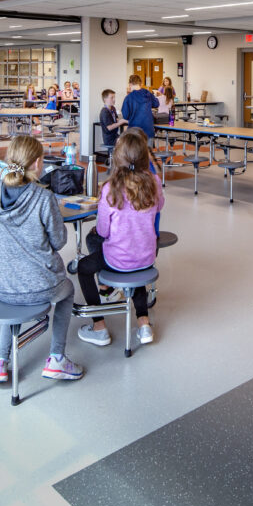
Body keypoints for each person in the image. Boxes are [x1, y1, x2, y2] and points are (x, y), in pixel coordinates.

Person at [0, 135, 83, 383]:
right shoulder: (44, 198)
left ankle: (0, 361)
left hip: (3, 286)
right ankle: (57, 358)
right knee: (69, 290)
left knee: (14, 294)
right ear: (38, 163)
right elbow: (59, 241)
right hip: (43, 285)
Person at [76, 129, 164, 348]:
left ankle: (99, 326)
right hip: (147, 255)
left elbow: (103, 231)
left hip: (118, 258)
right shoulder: (154, 182)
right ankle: (144, 324)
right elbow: (159, 206)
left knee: (84, 265)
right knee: (136, 267)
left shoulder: (109, 188)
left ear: (117, 157)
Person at [120, 74, 156, 139]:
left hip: (134, 132)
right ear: (140, 83)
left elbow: (125, 115)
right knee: (147, 149)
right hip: (148, 130)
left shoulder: (129, 97)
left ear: (130, 84)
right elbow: (156, 104)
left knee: (135, 149)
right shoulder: (148, 93)